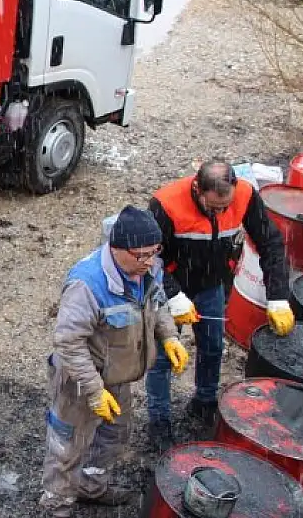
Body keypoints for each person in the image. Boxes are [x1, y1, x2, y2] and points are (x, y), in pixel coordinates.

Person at [39, 206, 189, 518]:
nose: (150, 262)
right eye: (142, 255)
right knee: (67, 448)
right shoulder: (87, 284)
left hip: (118, 377)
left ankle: (91, 487)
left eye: (154, 252)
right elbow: (69, 342)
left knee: (114, 434)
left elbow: (157, 305)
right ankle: (57, 506)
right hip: (79, 383)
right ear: (117, 248)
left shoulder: (147, 268)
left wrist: (170, 336)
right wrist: (94, 391)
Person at [144, 160, 294, 450]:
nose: (221, 213)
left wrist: (277, 297)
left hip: (212, 283)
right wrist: (174, 296)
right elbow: (150, 260)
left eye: (225, 207)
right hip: (170, 285)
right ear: (197, 188)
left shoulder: (246, 196)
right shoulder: (165, 204)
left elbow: (271, 245)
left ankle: (204, 401)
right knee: (162, 355)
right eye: (213, 208)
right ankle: (159, 421)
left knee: (213, 347)